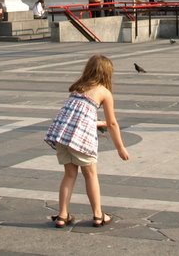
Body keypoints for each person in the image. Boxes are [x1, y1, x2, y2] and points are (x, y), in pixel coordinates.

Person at [44, 53, 129, 228]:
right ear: (107, 74)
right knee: (90, 175)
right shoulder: (104, 92)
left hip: (63, 136)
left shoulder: (78, 88)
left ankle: (62, 215)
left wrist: (97, 123)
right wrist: (120, 148)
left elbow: (77, 115)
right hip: (80, 140)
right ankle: (98, 215)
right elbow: (112, 123)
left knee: (69, 174)